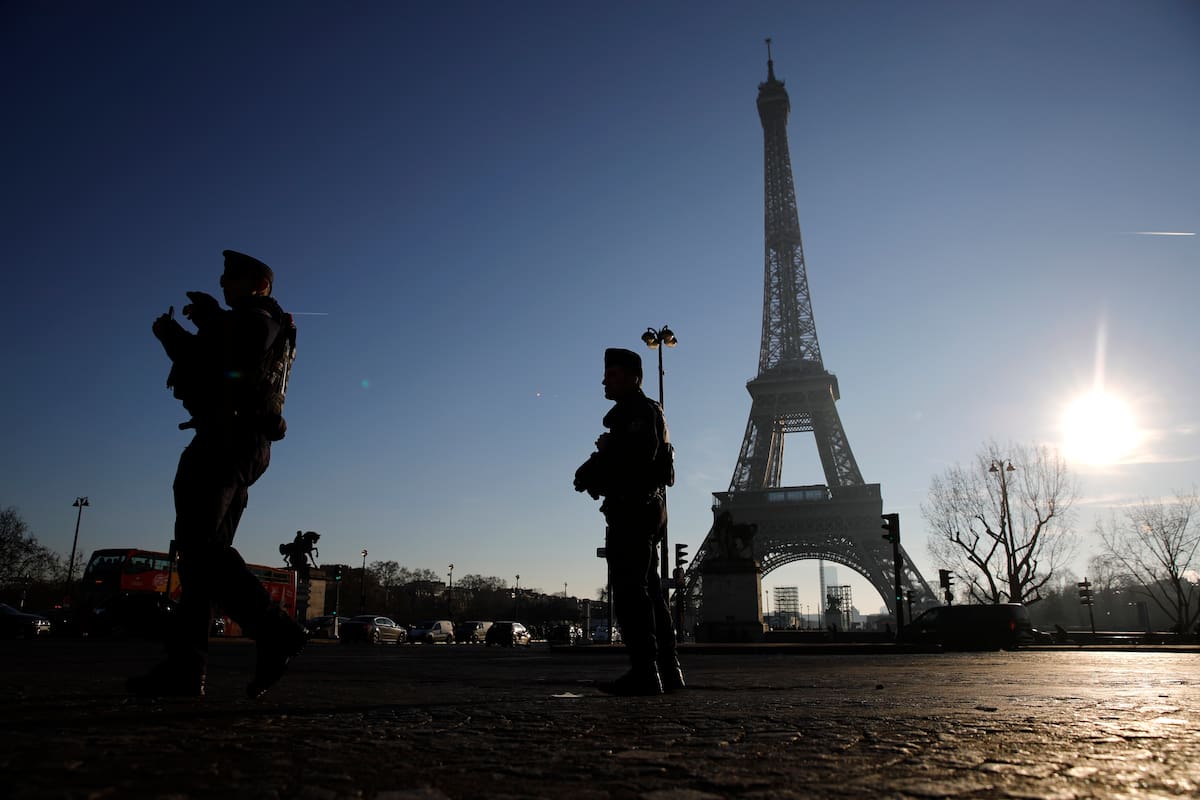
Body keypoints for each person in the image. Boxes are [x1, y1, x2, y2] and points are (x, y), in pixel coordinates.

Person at [128, 249, 305, 699]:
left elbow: (228, 361)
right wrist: (188, 332)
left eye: (233, 280)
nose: (224, 286)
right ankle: (187, 668)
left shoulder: (259, 319)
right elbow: (223, 360)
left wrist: (186, 330)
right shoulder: (255, 321)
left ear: (259, 286)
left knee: (199, 548)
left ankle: (274, 630)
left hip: (228, 439)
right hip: (238, 439)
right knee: (203, 559)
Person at [574, 347, 684, 695]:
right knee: (650, 592)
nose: (605, 380)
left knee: (629, 592)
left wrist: (601, 459)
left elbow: (635, 459)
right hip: (649, 509)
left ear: (634, 378)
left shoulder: (635, 413)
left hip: (633, 510)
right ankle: (668, 669)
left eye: (613, 374)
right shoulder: (648, 411)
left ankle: (645, 671)